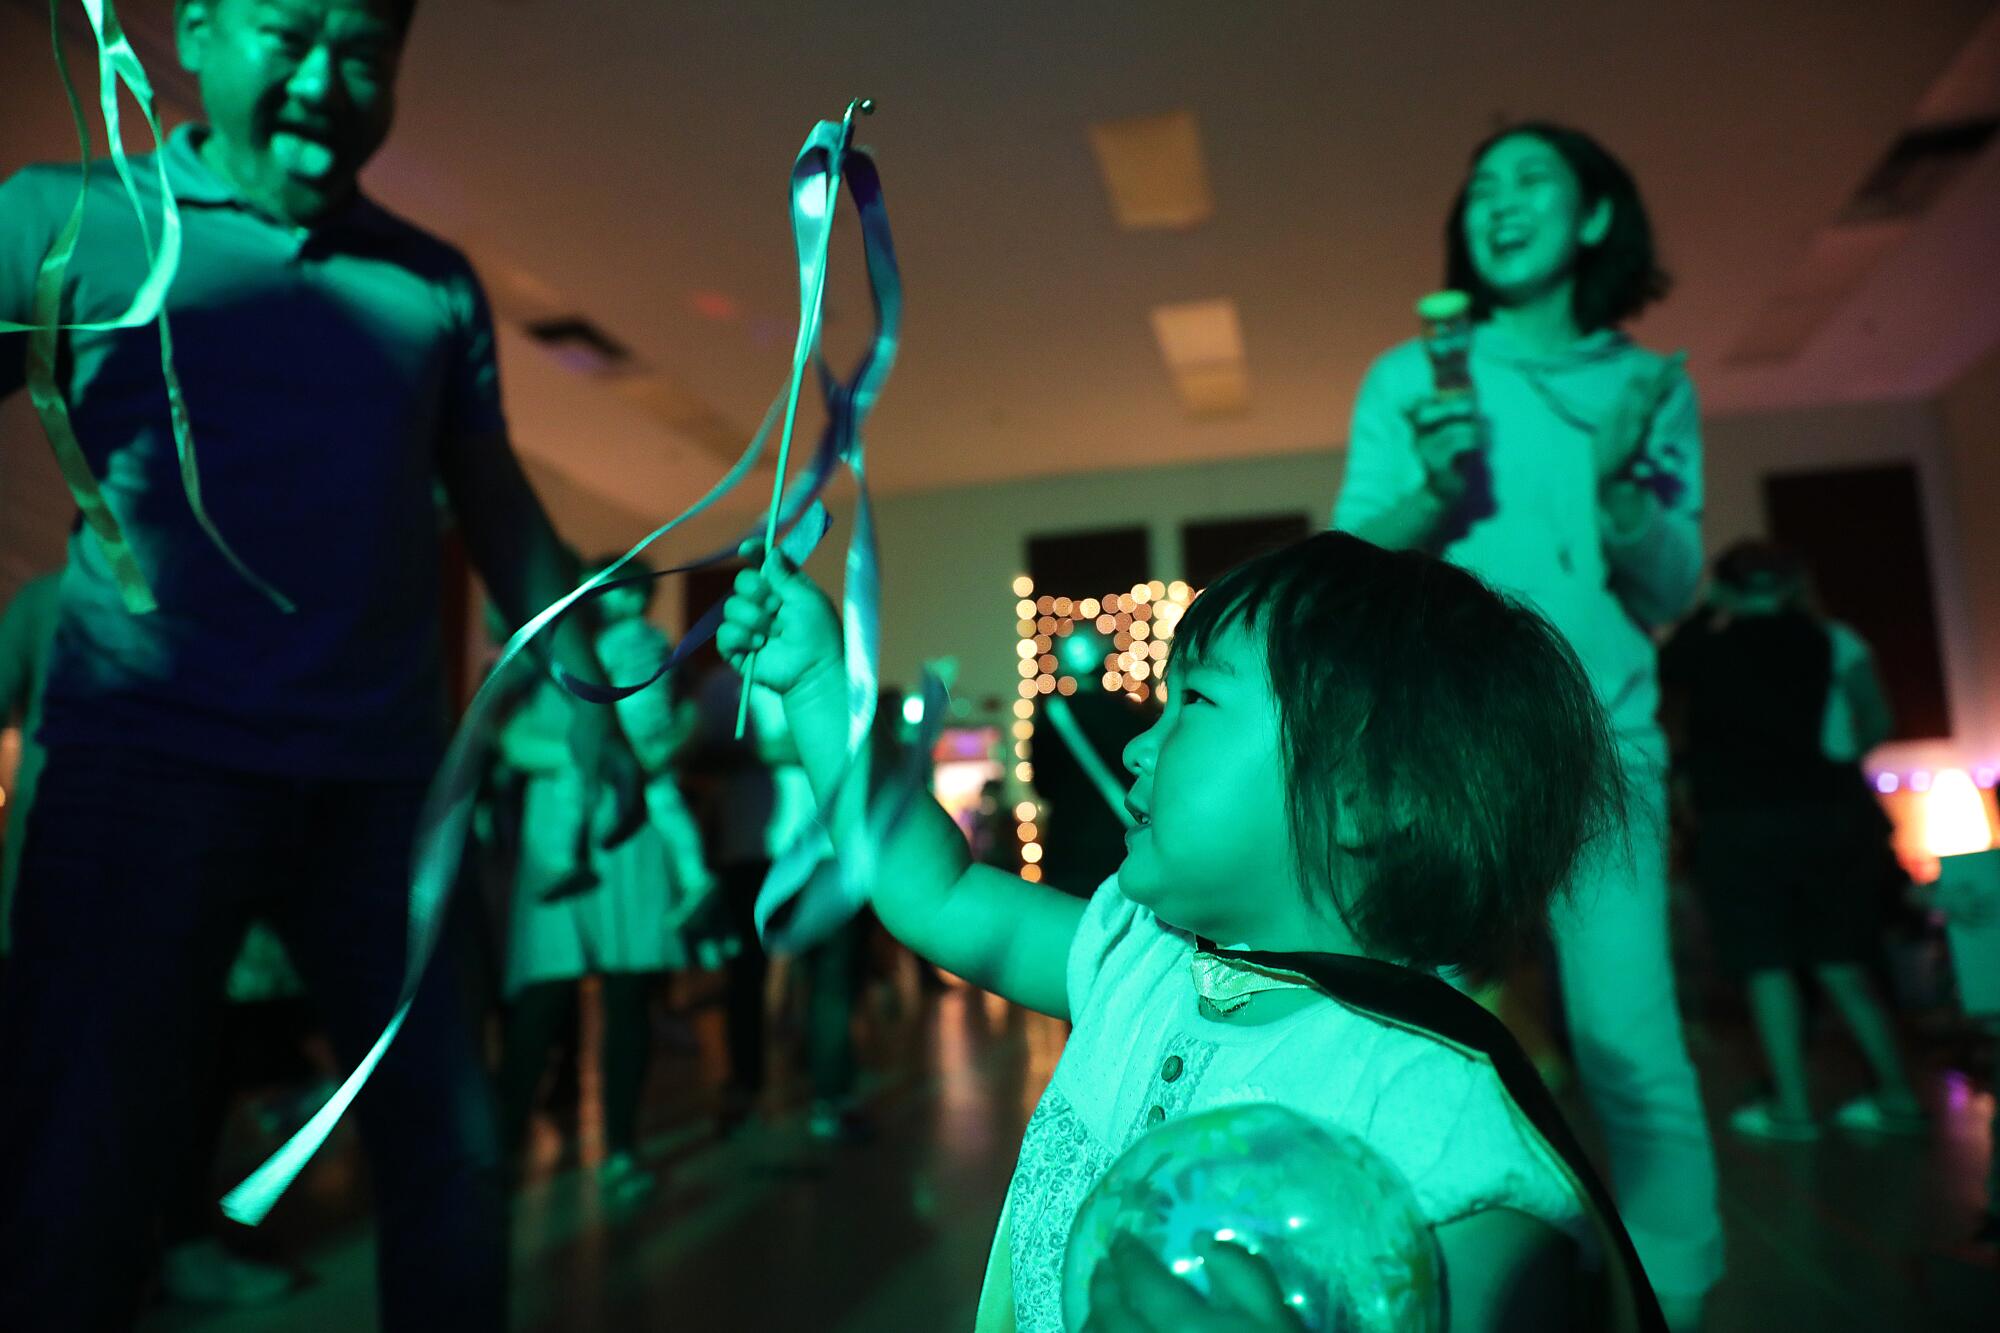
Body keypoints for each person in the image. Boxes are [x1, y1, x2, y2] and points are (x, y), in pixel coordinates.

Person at [0, 3, 642, 1327]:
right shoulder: (62, 220)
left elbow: (495, 498)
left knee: (451, 1150)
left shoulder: (432, 281)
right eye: (290, 35)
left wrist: (593, 702)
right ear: (196, 33)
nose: (327, 82)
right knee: (78, 1169)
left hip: (378, 789)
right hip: (144, 770)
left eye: (368, 52)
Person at [720, 531, 1670, 1333]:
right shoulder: (1143, 955)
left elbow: (1517, 1286)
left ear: (1367, 798)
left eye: (1198, 702)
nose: (1140, 740)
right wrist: (816, 688)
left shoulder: (1428, 1101)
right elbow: (940, 890)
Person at [1331, 121, 1720, 1328]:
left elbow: (1668, 592)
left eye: (1531, 179)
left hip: (1606, 746)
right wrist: (1433, 492)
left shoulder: (1646, 387)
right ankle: (1409, 1295)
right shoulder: (1411, 378)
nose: (1498, 200)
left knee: (1626, 1054)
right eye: (1481, 184)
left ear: (1593, 216)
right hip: (1446, 752)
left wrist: (1618, 503)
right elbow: (1347, 562)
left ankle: (1676, 1303)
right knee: (1412, 1032)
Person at [1660, 542, 1923, 1141]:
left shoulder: (1708, 649)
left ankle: (1794, 1108)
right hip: (1828, 816)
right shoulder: (1832, 639)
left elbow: (1665, 674)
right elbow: (1876, 720)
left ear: (1726, 588)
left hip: (1739, 823)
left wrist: (1706, 612)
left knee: (1765, 962)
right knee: (1840, 959)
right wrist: (1831, 762)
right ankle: (1897, 1094)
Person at [494, 558, 715, 1197]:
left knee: (629, 1000)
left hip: (631, 832)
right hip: (565, 832)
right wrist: (598, 754)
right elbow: (510, 741)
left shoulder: (660, 658)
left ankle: (621, 1148)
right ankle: (502, 1149)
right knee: (542, 1002)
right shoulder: (543, 650)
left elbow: (676, 733)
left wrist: (645, 752)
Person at [1031, 625, 1151, 897]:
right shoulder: (1126, 712)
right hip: (1120, 841)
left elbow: (1042, 786)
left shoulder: (1053, 715)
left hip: (1068, 848)